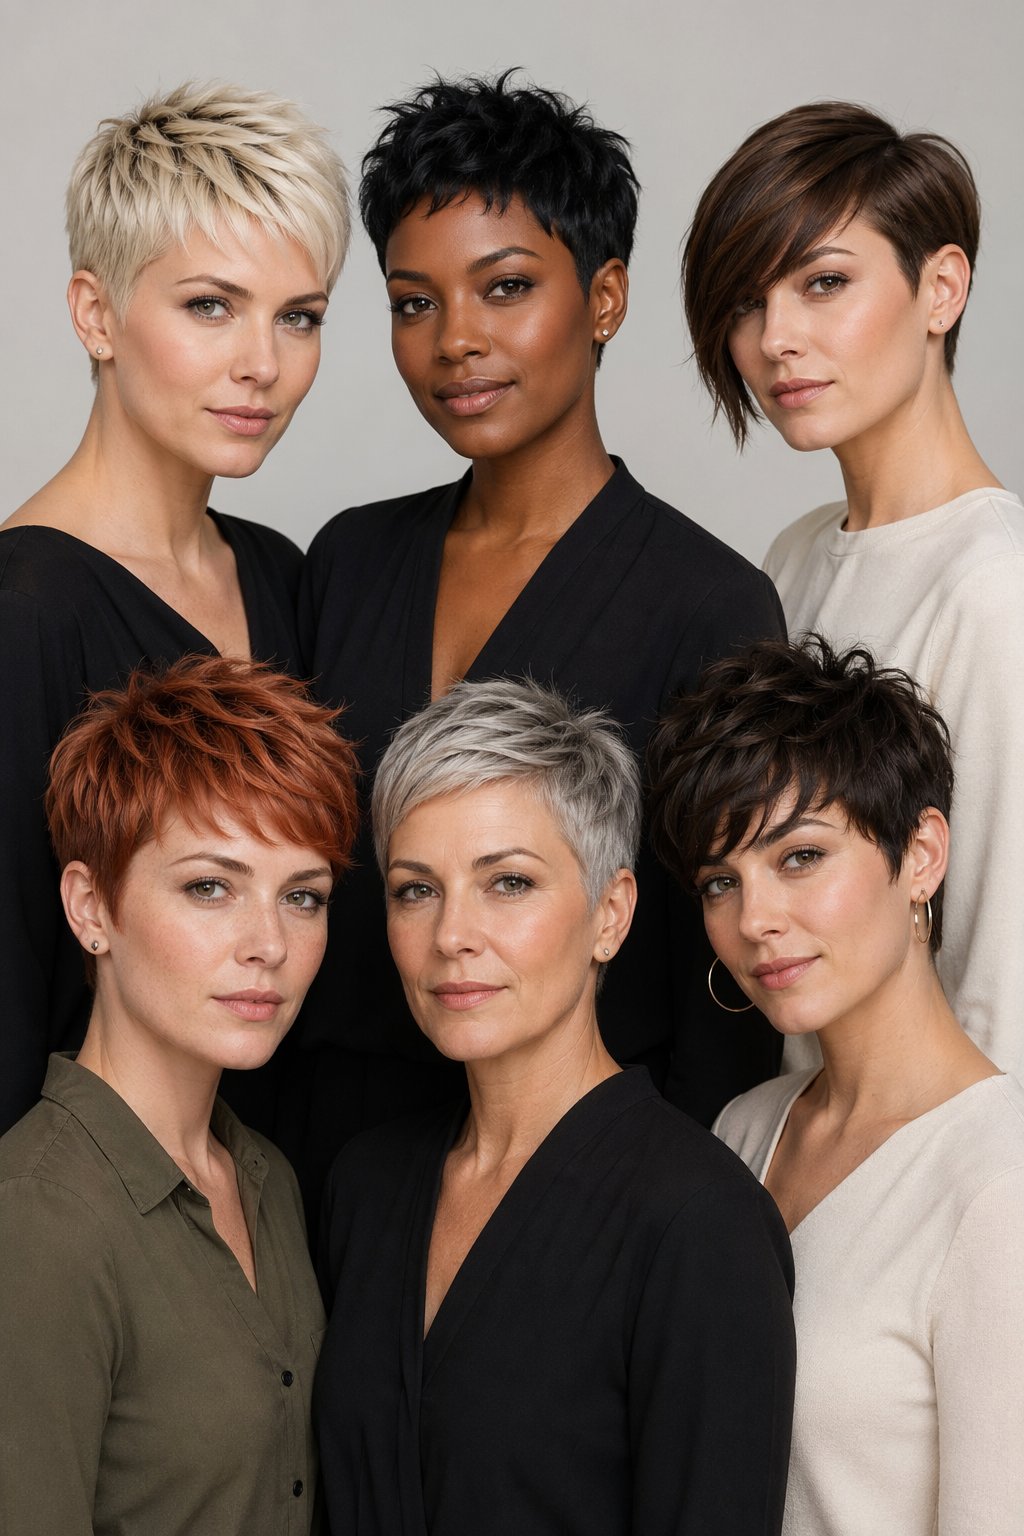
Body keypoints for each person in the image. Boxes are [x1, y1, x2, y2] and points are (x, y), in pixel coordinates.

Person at [296, 71, 783, 1209]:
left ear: (604, 296)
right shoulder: (347, 564)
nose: (456, 340)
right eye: (414, 303)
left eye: (504, 287)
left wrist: (660, 1213)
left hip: (579, 1173)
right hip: (329, 1165)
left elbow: (725, 978)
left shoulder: (709, 602)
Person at [315, 676, 796, 1536]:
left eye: (508, 882)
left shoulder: (699, 1224)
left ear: (610, 914)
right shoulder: (365, 1185)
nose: (453, 933)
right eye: (415, 889)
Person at [0, 81, 350, 1134]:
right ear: (95, 314)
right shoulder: (25, 613)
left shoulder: (283, 576)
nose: (263, 365)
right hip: (90, 1220)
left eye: (299, 318)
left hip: (271, 1187)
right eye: (210, 305)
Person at [646, 637, 1024, 1536]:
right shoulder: (743, 1131)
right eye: (719, 882)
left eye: (801, 856)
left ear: (922, 852)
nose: (755, 921)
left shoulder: (997, 1189)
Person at [681, 101, 1024, 1081]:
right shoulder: (791, 559)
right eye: (745, 303)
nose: (775, 338)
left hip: (938, 1167)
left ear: (940, 287)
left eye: (823, 283)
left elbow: (1004, 973)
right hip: (796, 1127)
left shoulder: (992, 589)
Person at [0, 655, 359, 1534]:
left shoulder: (266, 1176)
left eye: (303, 897)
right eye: (210, 886)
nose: (267, 943)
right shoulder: (37, 1218)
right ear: (91, 908)